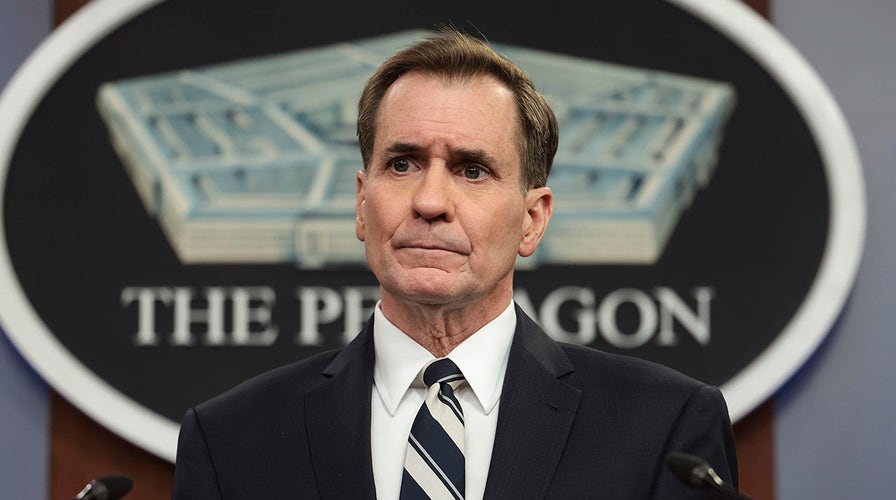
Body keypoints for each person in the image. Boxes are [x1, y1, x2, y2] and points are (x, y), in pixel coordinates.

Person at [171, 25, 739, 500]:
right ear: (361, 204)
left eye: (472, 170)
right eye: (402, 164)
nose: (430, 202)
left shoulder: (664, 427)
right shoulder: (230, 439)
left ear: (532, 219)